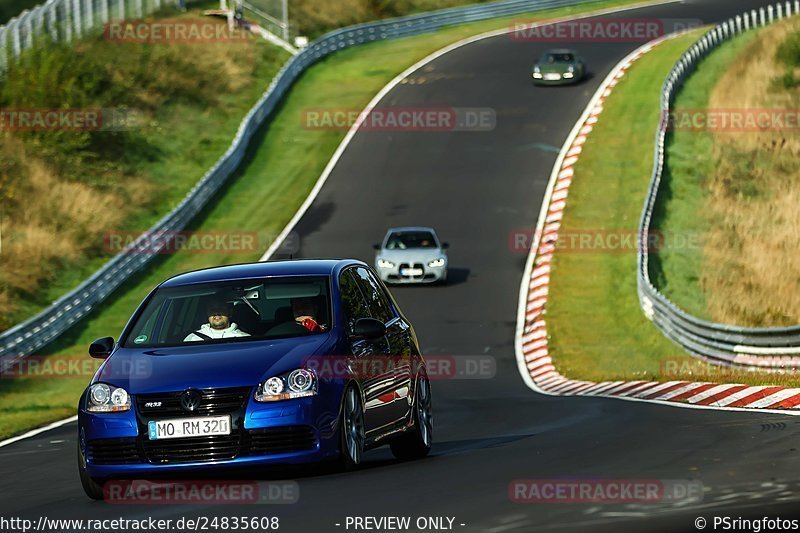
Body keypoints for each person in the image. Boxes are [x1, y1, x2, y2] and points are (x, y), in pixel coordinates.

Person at [184, 299, 250, 341]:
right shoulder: (192, 338)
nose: (216, 312)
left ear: (230, 312)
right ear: (207, 313)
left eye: (221, 308)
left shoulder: (244, 338)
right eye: (212, 309)